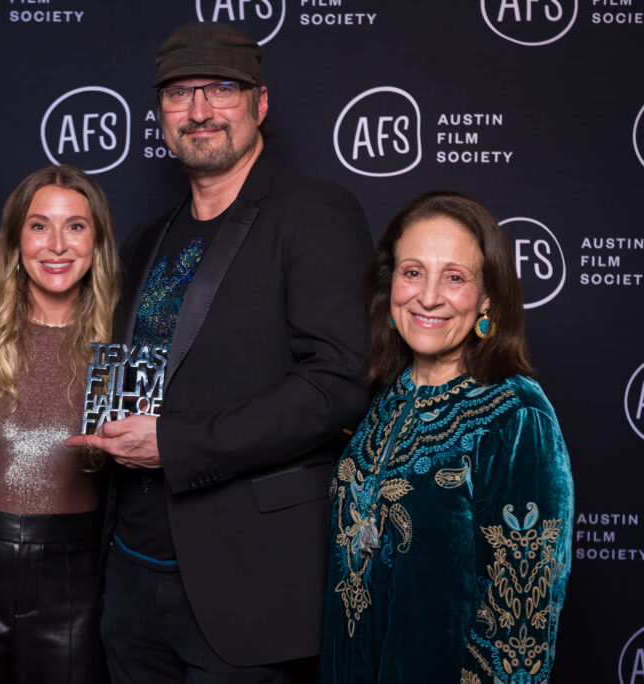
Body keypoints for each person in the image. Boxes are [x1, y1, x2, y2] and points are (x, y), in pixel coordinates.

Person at [67, 21, 372, 682]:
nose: (199, 110)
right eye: (179, 94)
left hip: (249, 588)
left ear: (260, 105)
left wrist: (176, 444)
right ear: (161, 115)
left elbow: (337, 382)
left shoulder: (315, 212)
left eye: (221, 89)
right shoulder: (148, 239)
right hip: (129, 579)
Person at [320, 191, 573, 683]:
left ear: (486, 300)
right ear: (389, 285)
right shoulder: (384, 398)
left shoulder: (516, 416)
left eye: (454, 278)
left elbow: (521, 635)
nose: (429, 296)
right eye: (412, 272)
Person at [0, 165, 120, 683]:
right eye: (38, 226)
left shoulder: (119, 349)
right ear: (14, 239)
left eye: (75, 226)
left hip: (74, 579)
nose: (56, 245)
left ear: (97, 242)